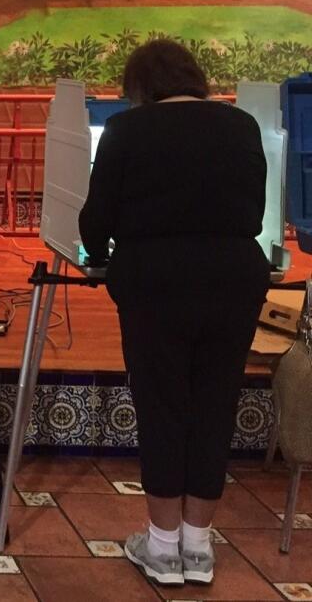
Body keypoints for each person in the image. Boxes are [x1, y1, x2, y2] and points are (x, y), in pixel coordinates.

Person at [79, 39, 271, 587]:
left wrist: (99, 252)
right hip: (234, 280)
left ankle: (162, 548)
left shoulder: (125, 131)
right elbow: (255, 214)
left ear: (138, 87)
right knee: (215, 405)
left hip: (154, 284)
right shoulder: (240, 126)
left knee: (163, 405)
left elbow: (96, 222)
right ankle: (199, 546)